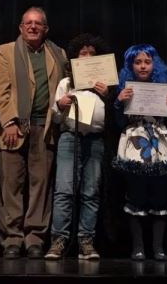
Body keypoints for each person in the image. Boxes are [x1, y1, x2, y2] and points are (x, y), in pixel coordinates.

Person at [0, 7, 67, 259]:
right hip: (13, 127)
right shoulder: (6, 51)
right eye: (28, 23)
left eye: (38, 24)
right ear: (20, 27)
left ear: (45, 29)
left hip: (44, 129)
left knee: (40, 186)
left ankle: (34, 238)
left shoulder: (59, 54)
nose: (33, 27)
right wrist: (9, 122)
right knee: (10, 185)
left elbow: (65, 87)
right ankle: (12, 238)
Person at [44, 33, 112, 261]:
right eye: (83, 55)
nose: (87, 58)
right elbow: (54, 118)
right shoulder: (66, 83)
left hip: (95, 140)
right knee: (64, 190)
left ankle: (86, 240)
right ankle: (59, 240)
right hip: (69, 139)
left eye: (92, 55)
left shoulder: (105, 85)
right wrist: (60, 105)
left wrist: (108, 97)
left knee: (90, 192)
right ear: (74, 58)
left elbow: (115, 118)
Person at [113, 44, 167, 261]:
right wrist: (119, 103)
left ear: (154, 64)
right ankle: (138, 247)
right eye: (138, 62)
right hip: (134, 143)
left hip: (159, 143)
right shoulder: (124, 89)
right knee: (136, 194)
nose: (142, 66)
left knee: (160, 194)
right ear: (131, 65)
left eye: (147, 62)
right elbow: (118, 122)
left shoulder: (164, 87)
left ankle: (158, 247)